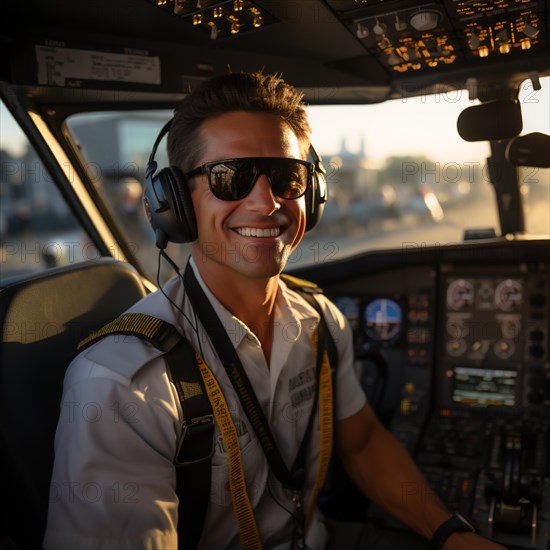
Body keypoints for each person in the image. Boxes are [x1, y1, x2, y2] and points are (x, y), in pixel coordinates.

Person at [43, 72, 506, 550]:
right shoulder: (122, 382)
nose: (267, 204)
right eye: (230, 178)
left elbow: (363, 443)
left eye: (287, 178)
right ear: (174, 203)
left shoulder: (322, 321)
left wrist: (449, 534)